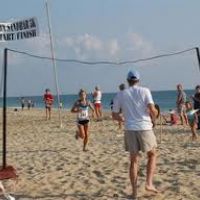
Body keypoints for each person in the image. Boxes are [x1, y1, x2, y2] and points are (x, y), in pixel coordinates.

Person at [112, 70, 158, 199]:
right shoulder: (145, 91)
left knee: (134, 160)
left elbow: (114, 115)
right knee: (152, 154)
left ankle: (134, 192)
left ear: (128, 81)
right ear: (138, 80)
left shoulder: (120, 94)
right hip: (144, 127)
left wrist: (124, 119)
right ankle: (148, 183)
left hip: (130, 128)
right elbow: (152, 109)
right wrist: (155, 119)